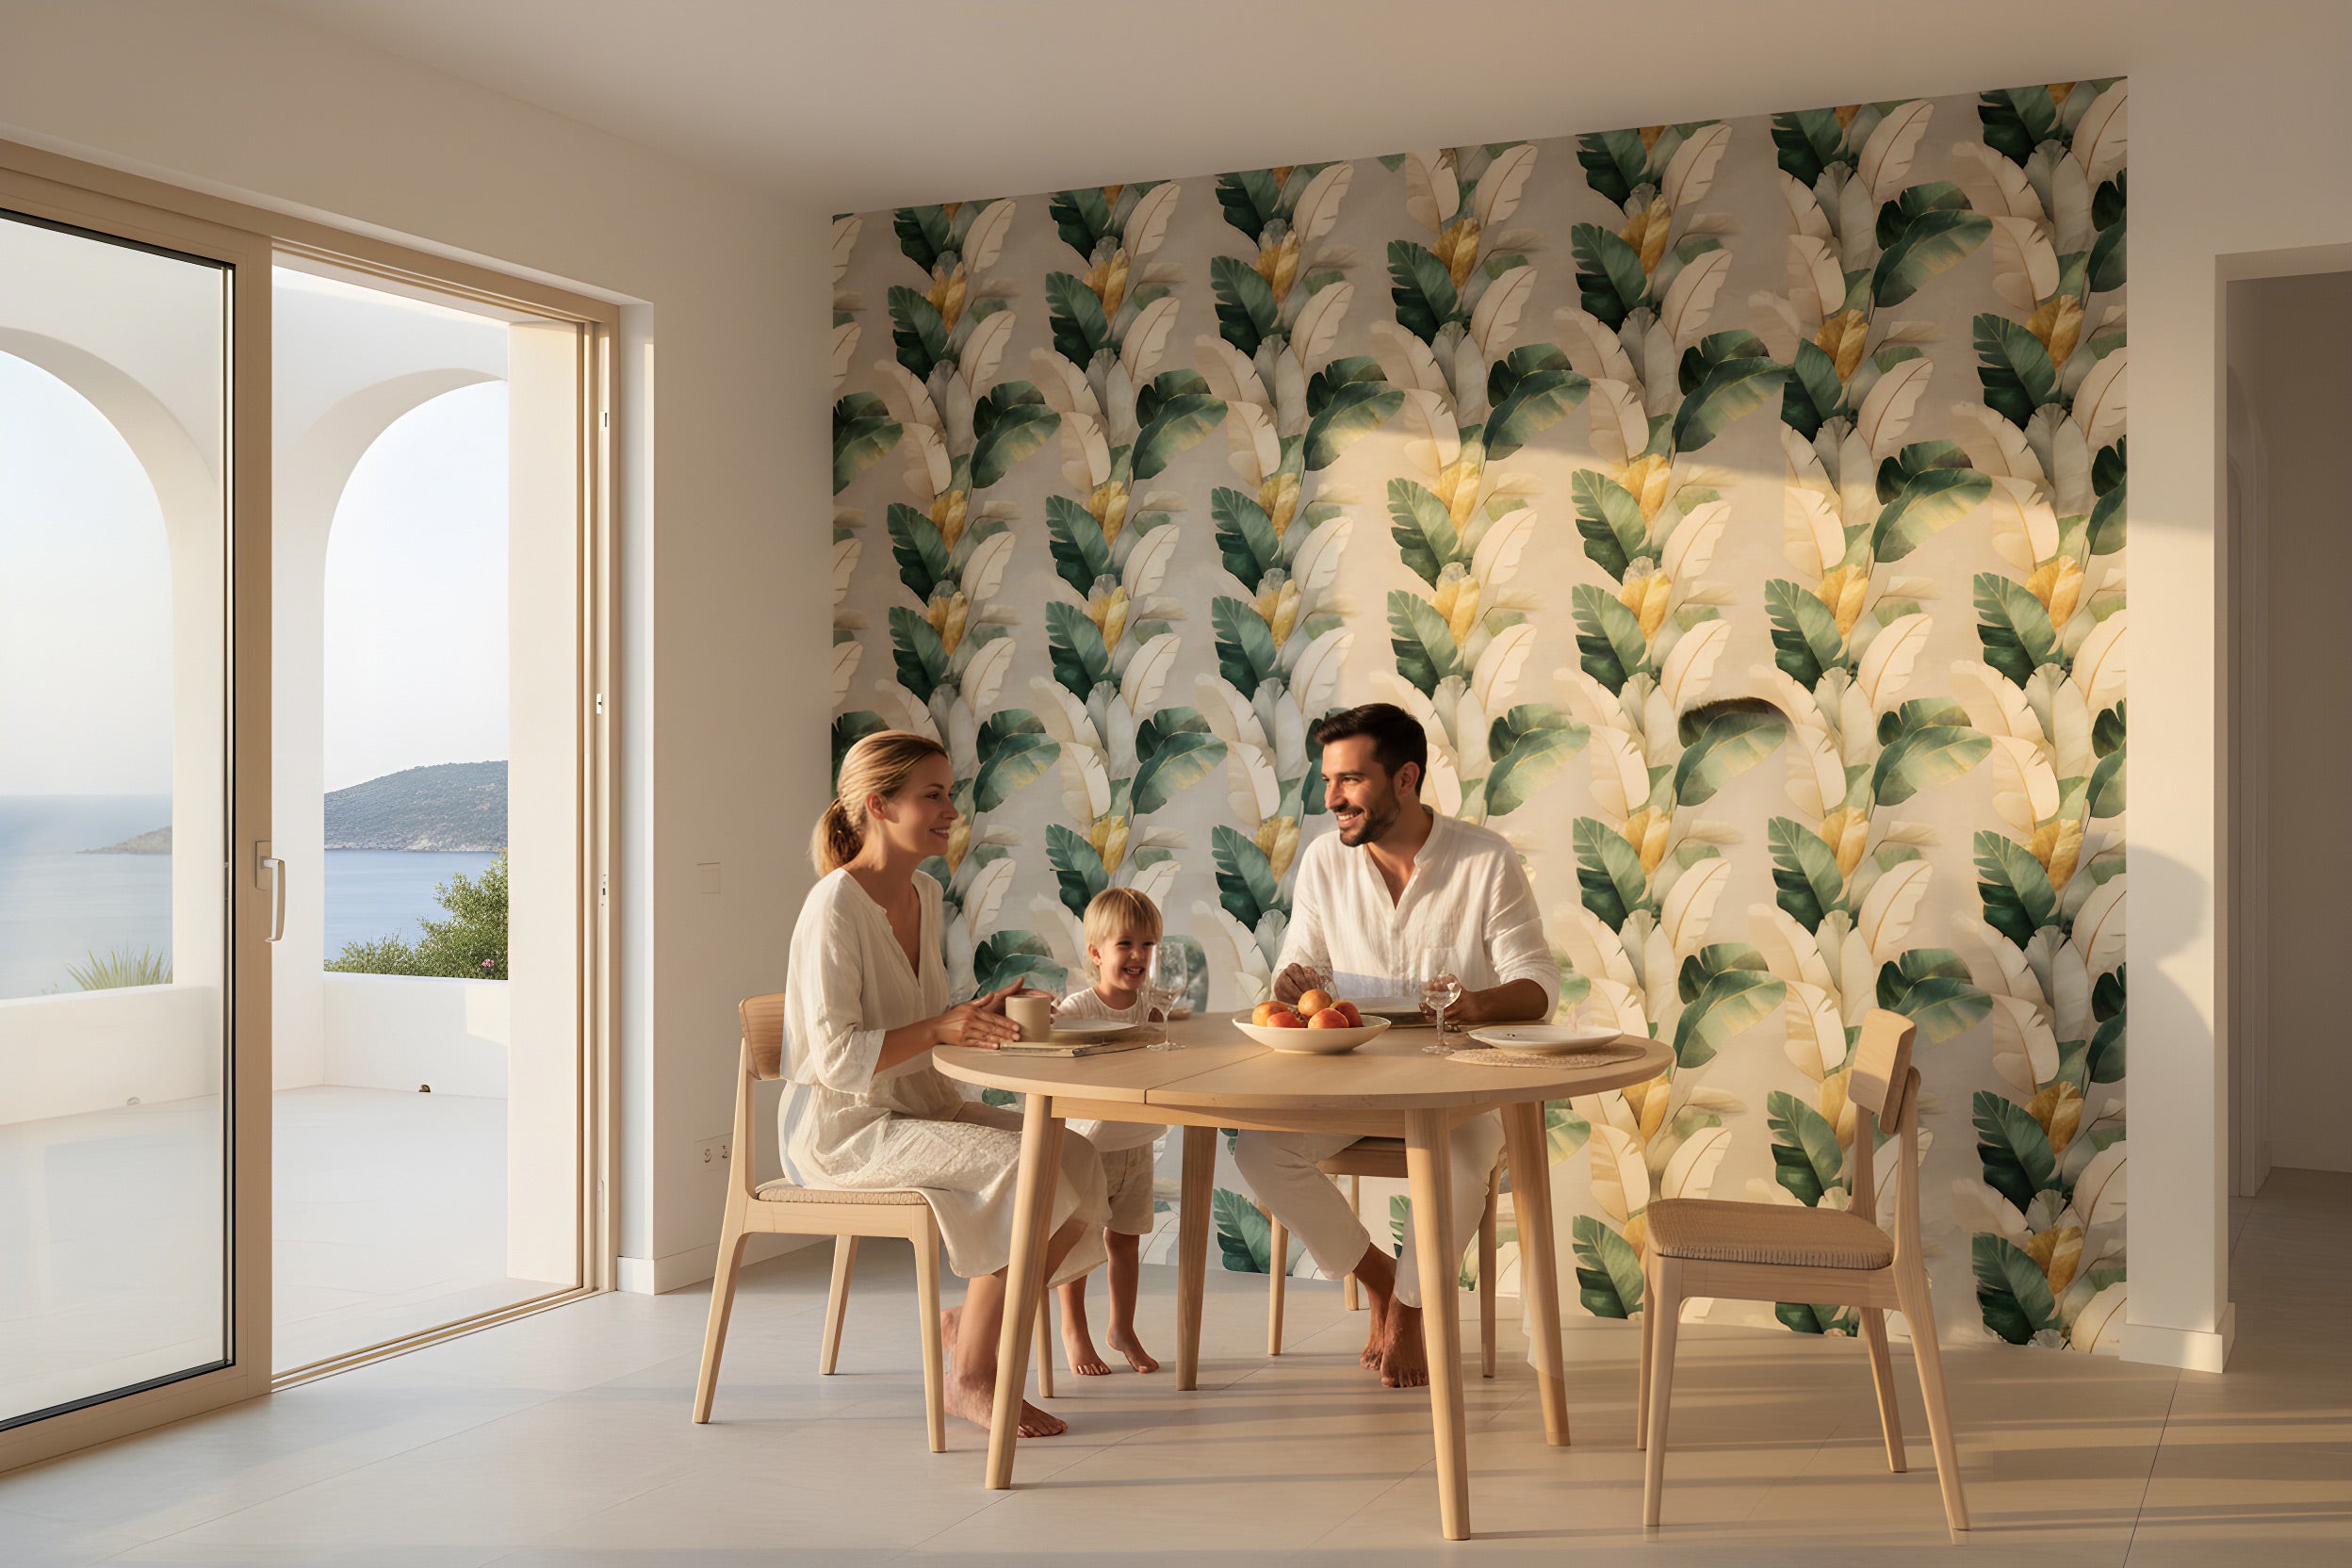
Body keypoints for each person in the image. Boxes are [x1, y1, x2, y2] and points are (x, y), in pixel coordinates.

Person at [780, 730, 1109, 1438]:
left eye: (948, 794)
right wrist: (939, 1030)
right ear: (879, 805)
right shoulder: (834, 906)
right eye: (933, 795)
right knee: (1029, 1167)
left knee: (1077, 1155)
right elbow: (836, 1058)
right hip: (850, 1132)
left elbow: (920, 1017)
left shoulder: (925, 894)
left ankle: (968, 1320)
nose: (950, 811)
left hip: (918, 1107)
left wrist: (972, 1017)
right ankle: (970, 1377)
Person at [1233, 702, 1556, 1388]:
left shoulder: (1483, 859)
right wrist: (1289, 982)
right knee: (1258, 1149)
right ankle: (1380, 1278)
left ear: (1404, 777)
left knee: (1459, 1162)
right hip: (1352, 1081)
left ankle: (1410, 1310)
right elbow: (1299, 969)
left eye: (1350, 780)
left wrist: (1478, 1004)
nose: (1332, 799)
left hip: (1463, 1084)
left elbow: (1538, 988)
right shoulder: (1325, 860)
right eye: (1328, 780)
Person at [1049, 887, 1169, 1376]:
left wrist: (1169, 1021)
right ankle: (1073, 1330)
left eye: (1148, 945)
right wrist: (1047, 1019)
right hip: (1087, 1148)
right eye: (1125, 944)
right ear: (1097, 953)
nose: (1138, 956)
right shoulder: (1080, 1008)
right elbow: (1054, 1032)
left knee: (1125, 1241)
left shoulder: (1151, 1005)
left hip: (1136, 1144)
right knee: (1078, 1241)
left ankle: (1123, 1327)